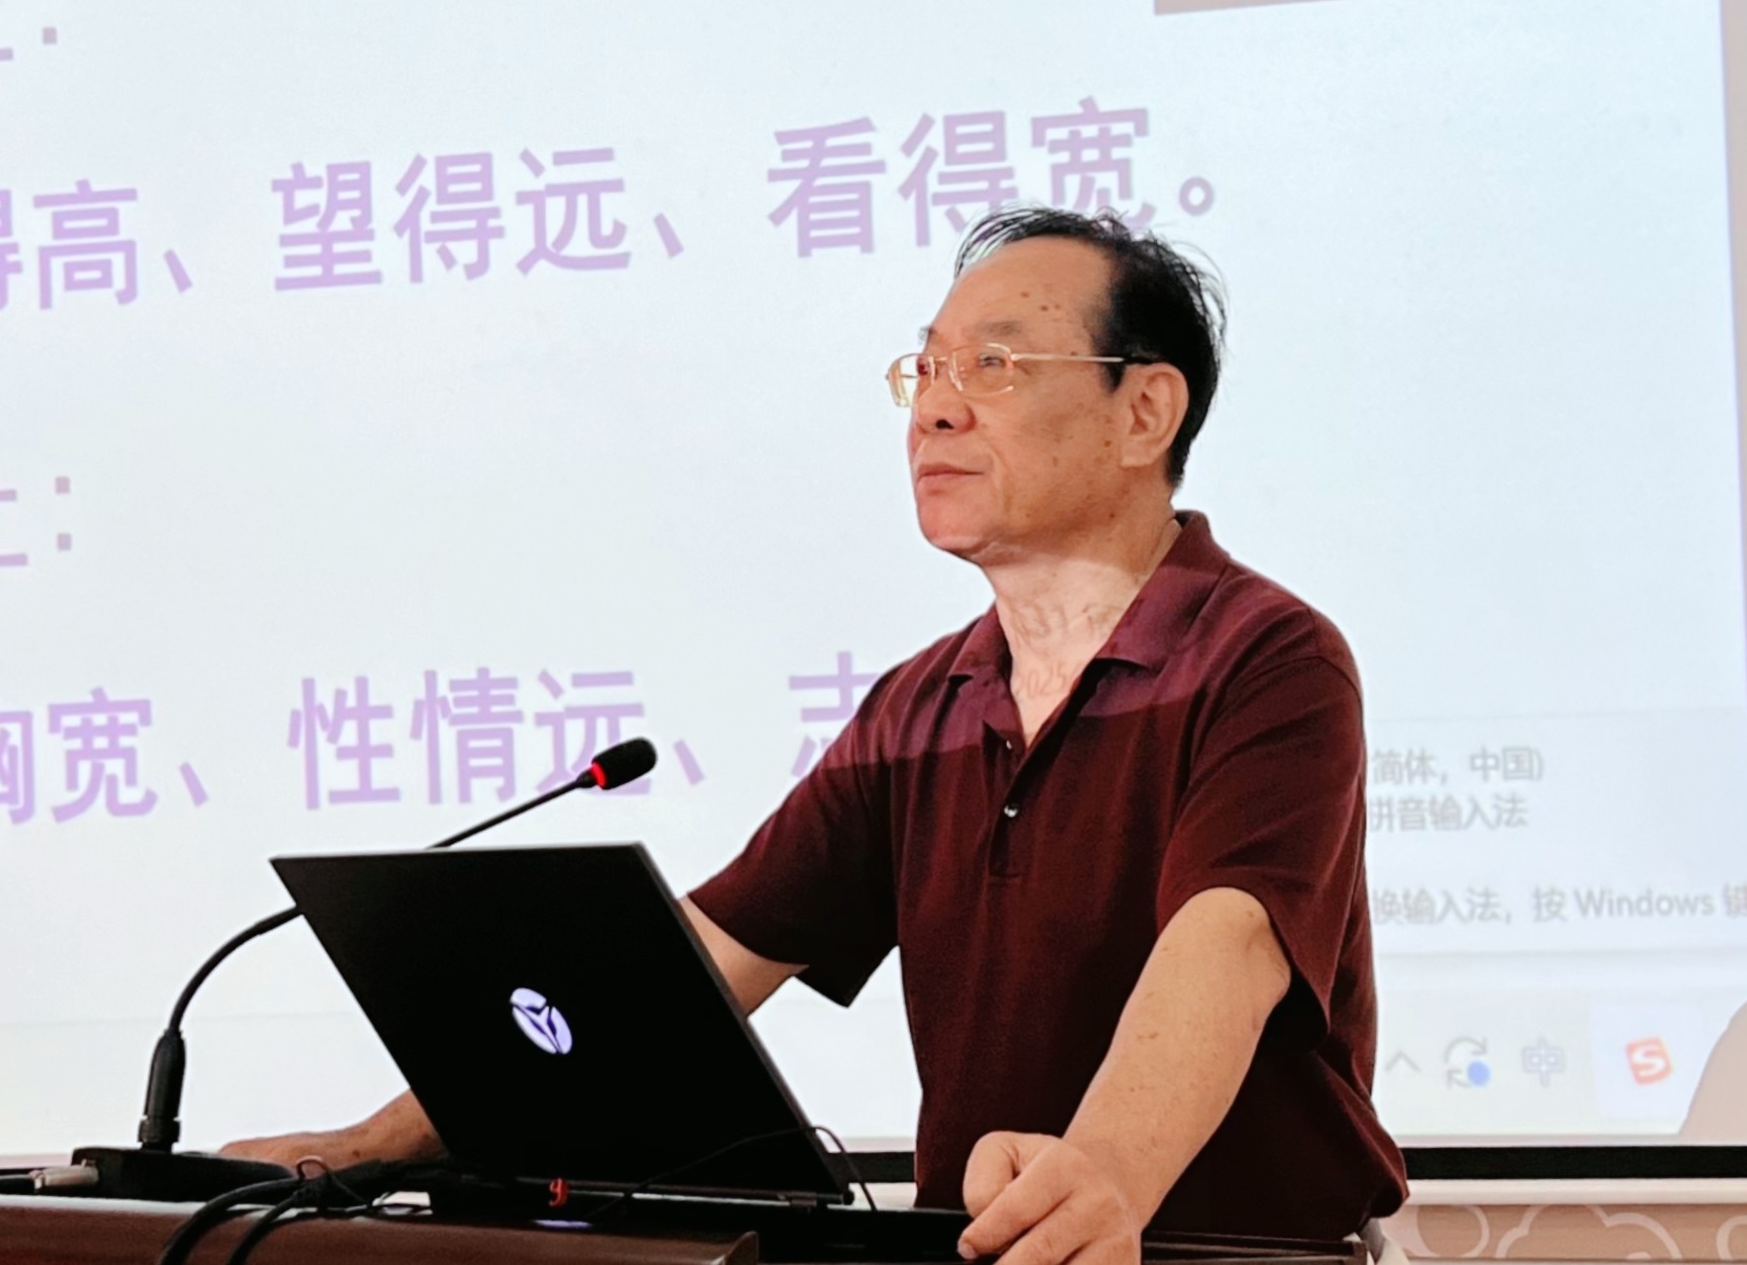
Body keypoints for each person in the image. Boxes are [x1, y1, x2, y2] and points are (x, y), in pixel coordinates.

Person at [228, 205, 1403, 1263]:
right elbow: (682, 982)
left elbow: (1223, 946)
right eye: (926, 369)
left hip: (1225, 1256)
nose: (934, 407)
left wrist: (1103, 1175)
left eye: (993, 365)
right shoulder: (920, 708)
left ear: (1142, 410)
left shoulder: (1266, 660)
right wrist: (370, 1148)